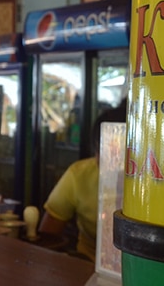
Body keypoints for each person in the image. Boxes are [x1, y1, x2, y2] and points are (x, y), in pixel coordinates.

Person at [39, 102, 127, 261]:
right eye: (109, 156)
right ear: (96, 152)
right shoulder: (79, 175)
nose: (118, 167)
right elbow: (48, 236)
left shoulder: (161, 186)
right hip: (89, 266)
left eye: (125, 157)